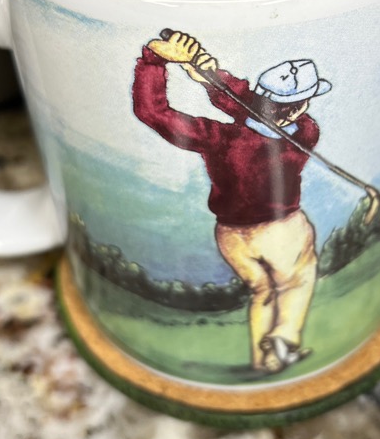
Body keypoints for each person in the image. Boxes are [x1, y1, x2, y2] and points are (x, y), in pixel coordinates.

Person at [132, 30, 332, 375]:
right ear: (298, 108)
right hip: (280, 229)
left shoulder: (219, 138)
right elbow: (248, 106)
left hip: (230, 235)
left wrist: (155, 59)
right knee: (296, 279)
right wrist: (210, 78)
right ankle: (283, 338)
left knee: (262, 291)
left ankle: (265, 361)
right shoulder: (305, 133)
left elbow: (153, 112)